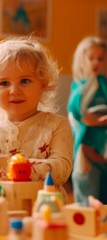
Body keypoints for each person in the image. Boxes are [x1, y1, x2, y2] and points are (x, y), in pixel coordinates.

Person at [0, 36, 73, 199]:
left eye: (25, 81)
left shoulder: (57, 125)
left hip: (46, 211)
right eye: (4, 83)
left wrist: (22, 168)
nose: (14, 90)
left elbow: (62, 170)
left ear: (43, 84)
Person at [68, 36, 107, 204]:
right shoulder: (79, 87)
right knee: (86, 192)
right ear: (82, 61)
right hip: (87, 151)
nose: (95, 63)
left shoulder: (104, 84)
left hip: (103, 149)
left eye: (100, 58)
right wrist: (90, 120)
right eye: (90, 58)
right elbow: (75, 112)